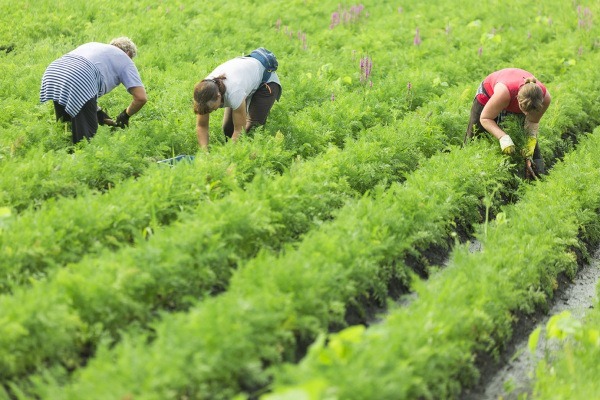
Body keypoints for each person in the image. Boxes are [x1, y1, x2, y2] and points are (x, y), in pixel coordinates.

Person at [40, 37, 147, 144]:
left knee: (66, 128)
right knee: (86, 140)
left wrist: (98, 113)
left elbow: (81, 88)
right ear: (128, 54)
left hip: (54, 72)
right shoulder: (124, 58)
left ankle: (61, 153)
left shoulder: (93, 46)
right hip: (79, 77)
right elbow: (141, 98)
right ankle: (80, 157)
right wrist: (125, 115)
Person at [464, 68, 551, 174]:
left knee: (525, 141)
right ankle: (467, 168)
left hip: (516, 98)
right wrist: (503, 137)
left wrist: (530, 142)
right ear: (518, 100)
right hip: (488, 95)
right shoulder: (504, 94)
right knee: (475, 135)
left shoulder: (545, 99)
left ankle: (538, 174)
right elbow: (485, 118)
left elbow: (532, 122)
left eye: (530, 111)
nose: (527, 115)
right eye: (524, 110)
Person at [193, 48, 282, 149]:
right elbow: (202, 126)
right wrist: (204, 152)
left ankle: (250, 157)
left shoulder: (234, 92)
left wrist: (227, 154)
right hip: (243, 79)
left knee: (252, 129)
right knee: (228, 129)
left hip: (265, 82)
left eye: (212, 108)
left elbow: (240, 130)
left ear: (218, 96)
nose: (213, 110)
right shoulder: (203, 93)